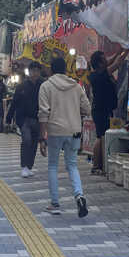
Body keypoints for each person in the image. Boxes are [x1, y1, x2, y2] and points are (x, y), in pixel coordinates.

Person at [38, 55, 91, 217]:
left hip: (55, 131)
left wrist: (42, 137)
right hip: (74, 130)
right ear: (66, 69)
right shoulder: (76, 86)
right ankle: (79, 195)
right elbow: (87, 109)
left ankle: (55, 204)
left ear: (51, 70)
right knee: (72, 165)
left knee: (53, 166)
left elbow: (43, 113)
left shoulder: (46, 86)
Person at [7, 61, 43, 178]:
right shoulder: (21, 86)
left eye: (37, 71)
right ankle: (23, 167)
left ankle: (29, 167)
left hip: (37, 119)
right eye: (33, 70)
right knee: (26, 140)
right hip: (24, 119)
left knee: (34, 144)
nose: (35, 73)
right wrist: (8, 119)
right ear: (29, 72)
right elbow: (14, 103)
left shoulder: (43, 85)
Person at [87, 50, 120, 175]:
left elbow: (112, 60)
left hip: (103, 110)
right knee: (101, 137)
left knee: (102, 136)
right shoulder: (99, 75)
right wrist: (127, 49)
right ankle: (95, 166)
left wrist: (120, 50)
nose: (106, 60)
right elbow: (116, 64)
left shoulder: (98, 73)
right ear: (100, 64)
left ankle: (99, 165)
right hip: (101, 111)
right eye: (103, 59)